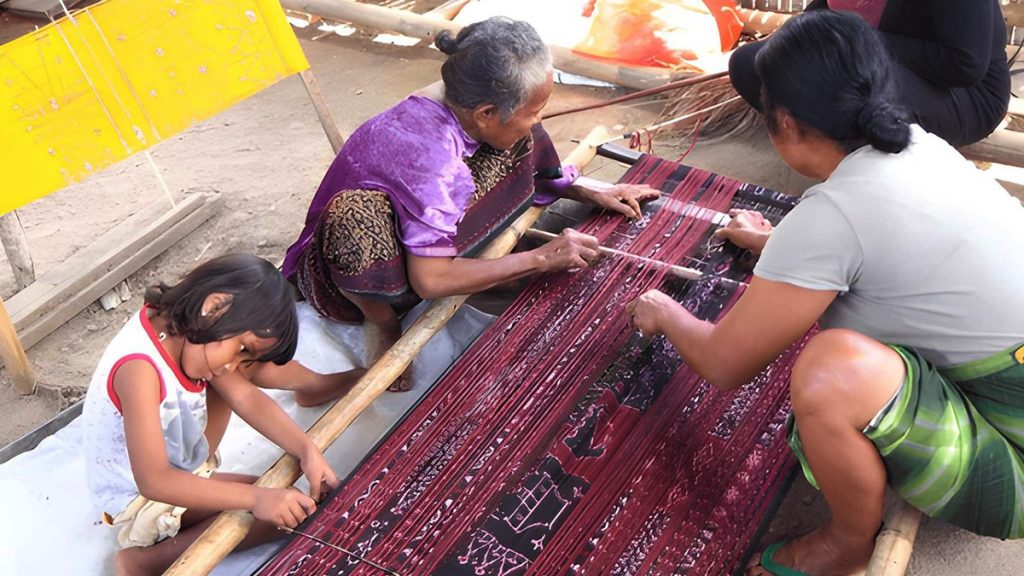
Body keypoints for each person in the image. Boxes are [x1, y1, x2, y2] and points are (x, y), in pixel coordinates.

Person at [627, 11, 1024, 576]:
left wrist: (664, 310)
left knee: (831, 373)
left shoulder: (832, 216)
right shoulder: (922, 145)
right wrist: (780, 244)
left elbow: (724, 362)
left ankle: (846, 543)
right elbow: (880, 248)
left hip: (1014, 465)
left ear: (784, 122)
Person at [281, 17, 659, 391]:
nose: (539, 119)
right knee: (357, 219)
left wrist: (587, 189)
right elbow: (429, 281)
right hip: (344, 277)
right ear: (486, 113)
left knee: (518, 135)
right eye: (534, 110)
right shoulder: (433, 160)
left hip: (422, 204)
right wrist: (543, 257)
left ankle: (456, 249)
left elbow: (523, 133)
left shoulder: (464, 103)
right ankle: (379, 319)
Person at [82, 255, 347, 576]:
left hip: (179, 461)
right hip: (138, 500)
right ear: (214, 306)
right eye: (243, 349)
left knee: (283, 503)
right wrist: (255, 498)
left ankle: (313, 386)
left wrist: (308, 451)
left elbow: (246, 396)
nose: (234, 366)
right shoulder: (140, 370)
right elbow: (154, 481)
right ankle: (143, 562)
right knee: (277, 511)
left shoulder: (192, 332)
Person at [728, 0, 1010, 147]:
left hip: (965, 96)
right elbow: (823, 13)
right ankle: (836, 152)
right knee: (752, 64)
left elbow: (965, 64)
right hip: (879, 65)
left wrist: (856, 39)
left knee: (842, 82)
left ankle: (861, 172)